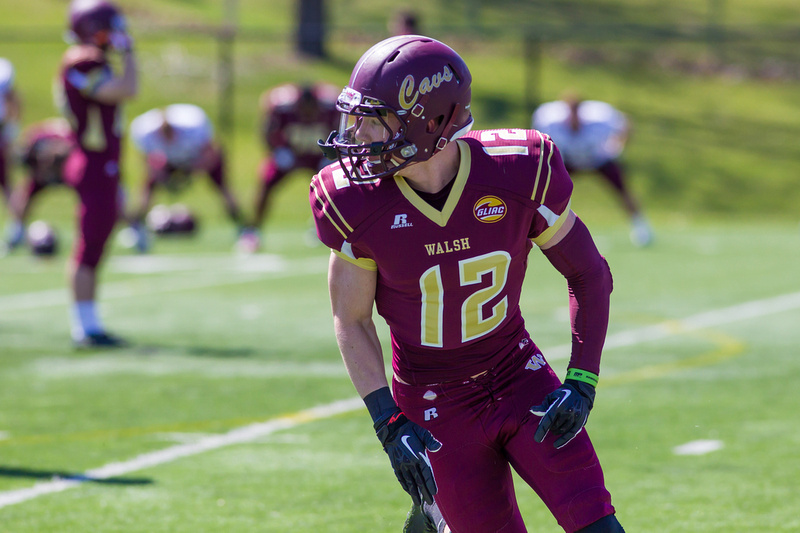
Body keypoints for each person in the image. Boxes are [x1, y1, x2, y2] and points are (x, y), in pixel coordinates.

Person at [311, 35, 624, 532]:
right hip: (432, 402)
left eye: (375, 119)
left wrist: (582, 381)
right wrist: (388, 422)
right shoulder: (352, 199)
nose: (359, 134)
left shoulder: (519, 169)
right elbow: (350, 318)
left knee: (597, 525)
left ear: (429, 121)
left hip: (519, 374)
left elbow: (588, 272)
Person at [58, 0, 138, 348]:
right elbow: (125, 89)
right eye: (110, 26)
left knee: (95, 243)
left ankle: (88, 324)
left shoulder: (89, 59)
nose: (117, 32)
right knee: (89, 246)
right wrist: (130, 54)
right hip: (92, 163)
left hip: (100, 162)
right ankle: (86, 327)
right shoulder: (82, 61)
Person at [532, 94, 653, 247]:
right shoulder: (549, 119)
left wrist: (617, 147)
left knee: (623, 190)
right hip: (570, 161)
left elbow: (626, 124)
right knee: (547, 193)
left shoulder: (600, 117)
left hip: (598, 159)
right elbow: (537, 139)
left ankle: (641, 227)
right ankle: (538, 229)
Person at [127, 103, 245, 252]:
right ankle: (137, 227)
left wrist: (191, 173)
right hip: (168, 161)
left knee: (222, 188)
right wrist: (162, 175)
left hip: (196, 157)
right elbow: (147, 162)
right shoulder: (143, 132)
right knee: (147, 188)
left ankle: (243, 226)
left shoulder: (194, 125)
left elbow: (211, 154)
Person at [240, 82, 338, 252]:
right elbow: (266, 131)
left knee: (336, 187)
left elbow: (341, 132)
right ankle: (252, 230)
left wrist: (333, 154)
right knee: (266, 182)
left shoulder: (331, 106)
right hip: (290, 153)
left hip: (318, 156)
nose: (308, 114)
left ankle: (329, 229)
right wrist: (277, 151)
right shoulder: (282, 106)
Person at [4, 118, 74, 251]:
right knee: (22, 198)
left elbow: (67, 133)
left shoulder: (59, 140)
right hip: (54, 169)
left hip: (67, 170)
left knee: (96, 196)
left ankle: (121, 224)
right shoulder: (33, 155)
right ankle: (17, 230)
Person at [0, 57, 22, 205]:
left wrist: (11, 128)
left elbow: (12, 98)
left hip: (1, 130)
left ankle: (17, 223)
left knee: (6, 179)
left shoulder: (4, 68)